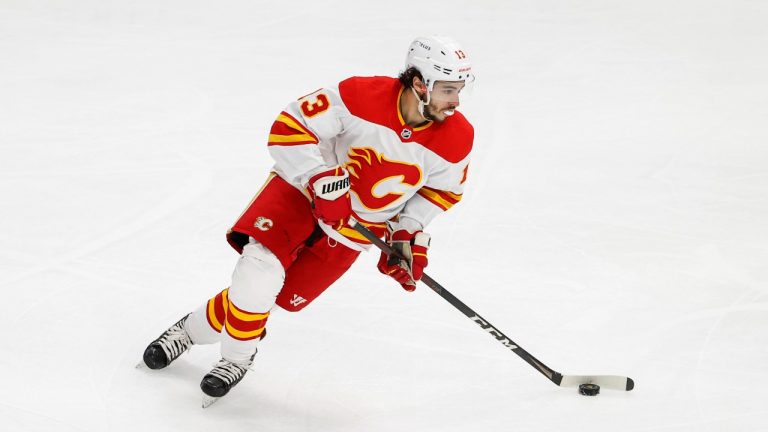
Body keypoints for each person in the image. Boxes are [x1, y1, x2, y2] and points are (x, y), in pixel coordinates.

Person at [140, 35, 475, 405]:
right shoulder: (359, 95)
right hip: (300, 195)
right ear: (418, 84)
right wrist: (318, 180)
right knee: (258, 272)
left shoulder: (458, 138)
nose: (456, 102)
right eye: (447, 90)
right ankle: (236, 358)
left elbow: (440, 193)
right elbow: (290, 126)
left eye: (459, 90)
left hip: (355, 230)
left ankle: (189, 329)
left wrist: (405, 235)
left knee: (271, 298)